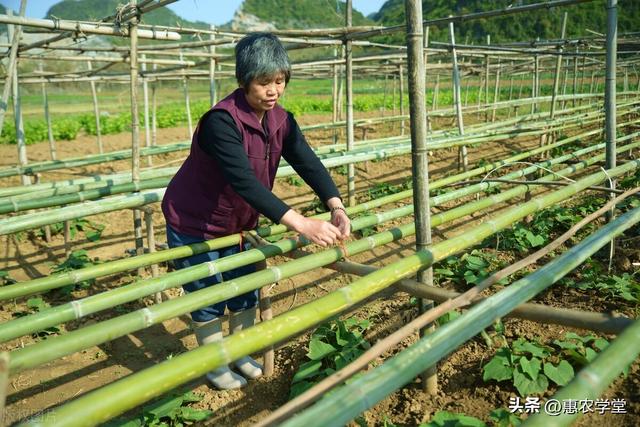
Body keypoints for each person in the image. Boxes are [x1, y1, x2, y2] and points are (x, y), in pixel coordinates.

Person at [161, 32, 350, 390]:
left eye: (279, 81)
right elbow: (244, 182)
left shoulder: (281, 120)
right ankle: (215, 364)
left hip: (241, 221)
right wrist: (301, 223)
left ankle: (241, 353)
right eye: (264, 82)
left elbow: (308, 162)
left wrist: (335, 205)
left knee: (244, 288)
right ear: (245, 80)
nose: (273, 90)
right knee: (208, 294)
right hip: (197, 220)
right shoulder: (221, 121)